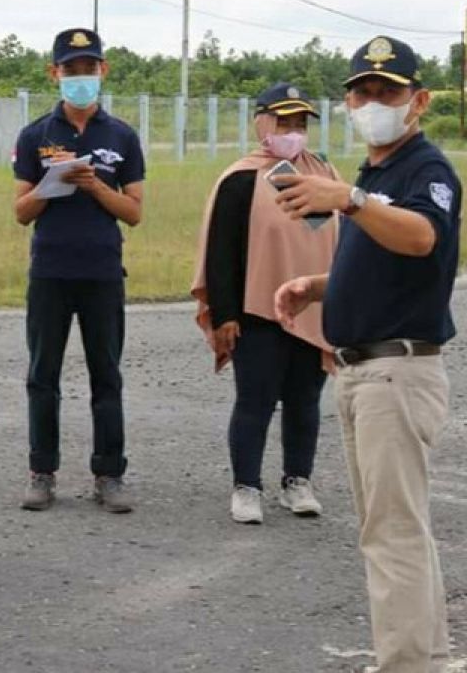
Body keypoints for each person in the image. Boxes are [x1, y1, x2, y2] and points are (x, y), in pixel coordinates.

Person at [274, 36, 459, 673]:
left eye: (389, 91)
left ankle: (406, 665)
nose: (373, 102)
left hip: (395, 371)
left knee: (392, 532)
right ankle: (426, 656)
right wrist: (318, 287)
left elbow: (421, 236)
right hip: (366, 368)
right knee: (396, 526)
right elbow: (382, 260)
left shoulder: (423, 169)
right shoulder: (378, 173)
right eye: (362, 91)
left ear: (419, 101)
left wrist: (350, 201)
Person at [191, 83, 338, 525]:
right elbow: (222, 252)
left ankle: (297, 481)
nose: (292, 131)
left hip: (311, 308)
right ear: (263, 123)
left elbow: (339, 238)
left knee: (305, 399)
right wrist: (225, 314)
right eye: (283, 122)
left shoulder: (324, 173)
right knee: (255, 399)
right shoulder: (240, 179)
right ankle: (246, 486)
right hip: (257, 311)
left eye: (299, 123)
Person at [12, 28, 145, 513]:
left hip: (102, 272)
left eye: (89, 68)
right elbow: (21, 212)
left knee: (105, 375)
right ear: (55, 74)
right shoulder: (35, 135)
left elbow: (133, 212)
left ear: (103, 71)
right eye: (71, 69)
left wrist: (94, 186)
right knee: (42, 374)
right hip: (50, 271)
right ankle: (41, 472)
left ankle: (109, 474)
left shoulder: (122, 136)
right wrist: (53, 184)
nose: (81, 77)